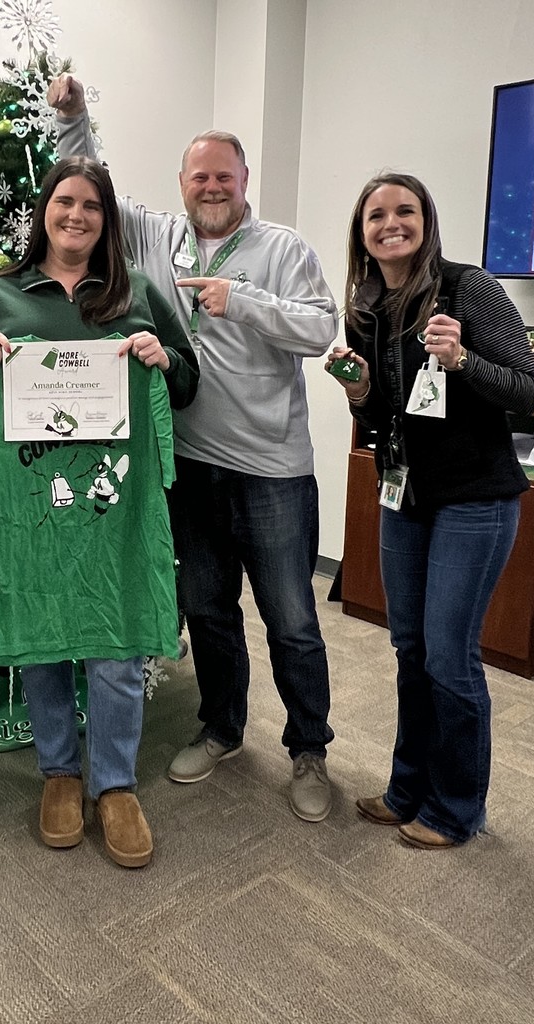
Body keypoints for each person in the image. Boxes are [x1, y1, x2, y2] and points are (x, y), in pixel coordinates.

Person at [48, 75, 339, 822]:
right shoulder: (155, 237)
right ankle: (223, 728)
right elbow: (93, 187)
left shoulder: (282, 248)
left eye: (224, 177)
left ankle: (310, 750)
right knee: (209, 610)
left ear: (245, 182)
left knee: (291, 620)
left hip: (272, 471)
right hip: (190, 467)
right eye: (199, 176)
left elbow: (318, 329)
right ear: (182, 183)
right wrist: (75, 115)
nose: (212, 187)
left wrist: (242, 299)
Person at [0, 155, 199, 868]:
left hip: (113, 507)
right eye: (65, 202)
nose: (77, 215)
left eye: (92, 206)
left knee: (116, 643)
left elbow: (188, 380)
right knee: (40, 638)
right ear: (44, 211)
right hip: (28, 507)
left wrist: (163, 357)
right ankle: (60, 774)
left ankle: (115, 784)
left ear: (107, 220)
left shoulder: (135, 293)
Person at [326, 171, 534, 849]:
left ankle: (455, 810)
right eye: (376, 215)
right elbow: (381, 417)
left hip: (474, 499)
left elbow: (527, 390)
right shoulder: (365, 309)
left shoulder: (468, 288)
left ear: (426, 222)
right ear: (362, 233)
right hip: (404, 494)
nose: (391, 224)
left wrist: (463, 359)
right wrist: (358, 390)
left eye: (405, 211)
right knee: (411, 647)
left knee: (449, 656)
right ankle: (406, 790)